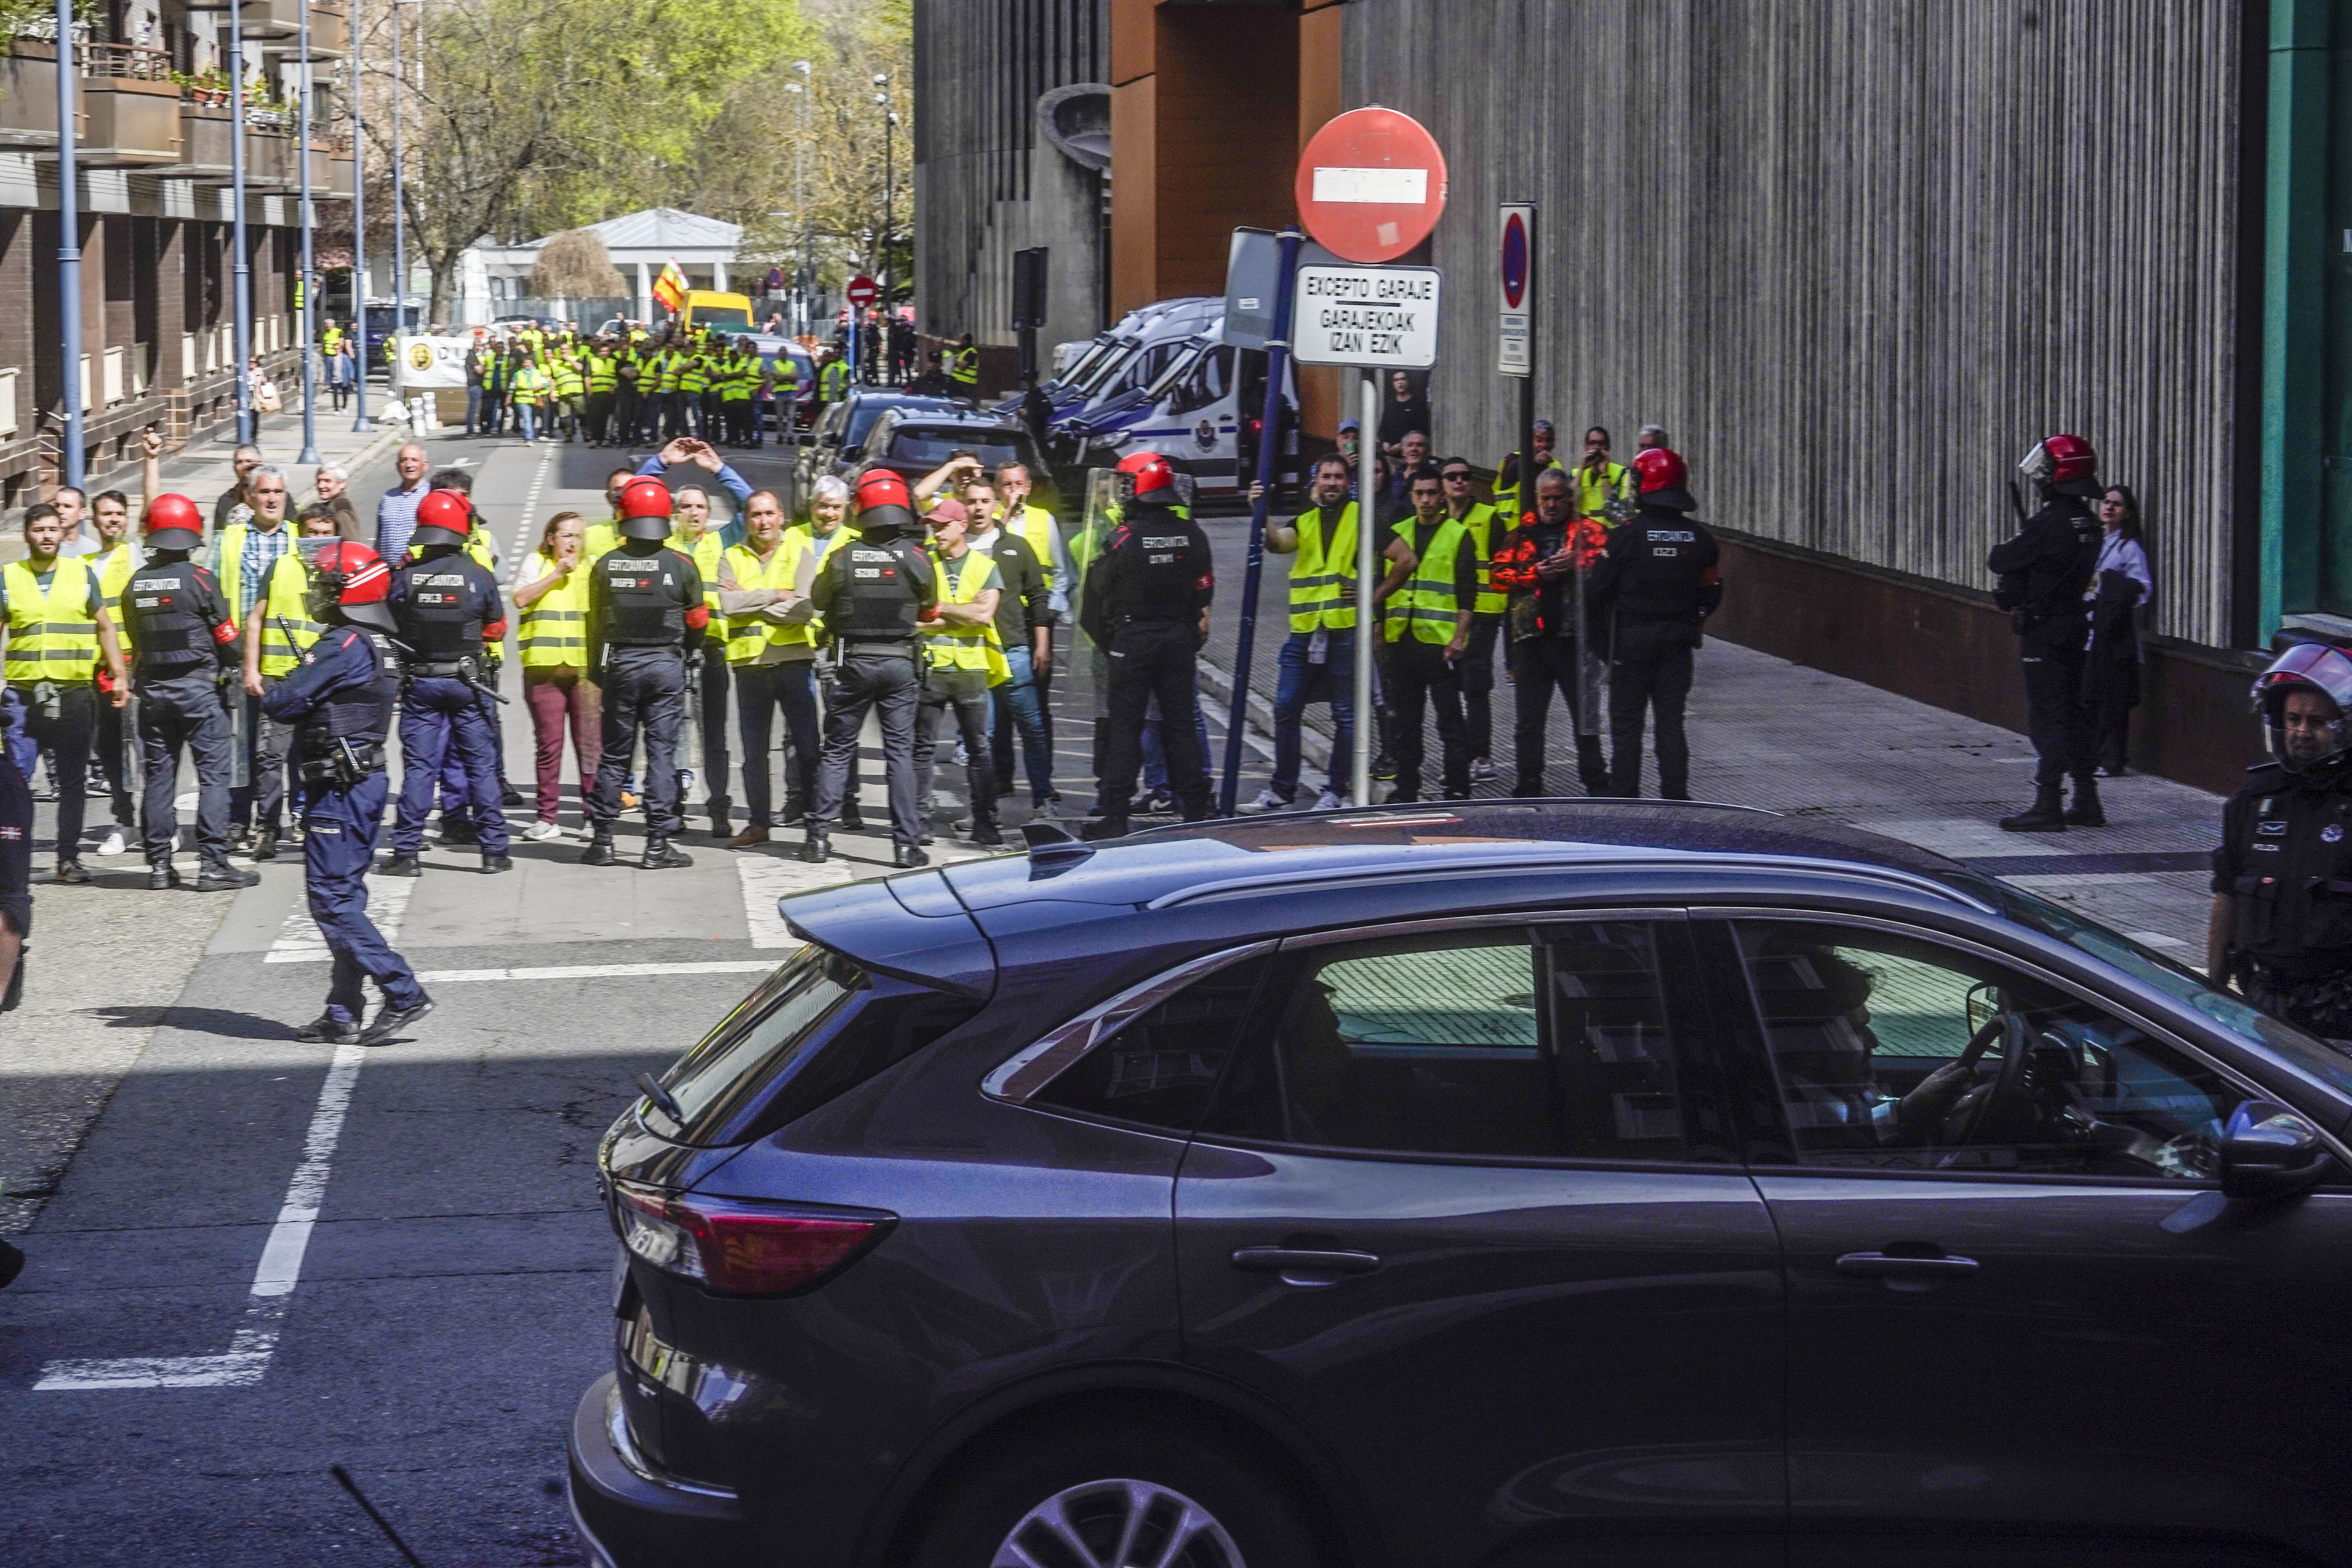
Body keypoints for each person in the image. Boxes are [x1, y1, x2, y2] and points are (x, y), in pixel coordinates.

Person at [263, 541, 432, 1045]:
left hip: (339, 786)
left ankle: (402, 990)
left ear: (351, 591)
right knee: (346, 897)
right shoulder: (375, 642)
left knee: (332, 902)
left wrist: (295, 678)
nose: (318, 590)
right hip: (359, 781)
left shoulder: (342, 644)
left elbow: (283, 700)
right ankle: (342, 1011)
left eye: (327, 584)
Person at [1249, 456, 1413, 812]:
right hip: (1306, 633)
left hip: (1345, 631)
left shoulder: (1363, 519)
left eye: (1339, 477)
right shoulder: (1305, 522)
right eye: (1326, 477)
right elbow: (1277, 544)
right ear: (1317, 481)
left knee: (1346, 716)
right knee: (1285, 708)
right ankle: (1282, 789)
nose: (1333, 483)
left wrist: (1372, 597)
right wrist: (1261, 512)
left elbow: (1406, 560)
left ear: (1348, 483)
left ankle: (1334, 791)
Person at [2210, 637, 2352, 1037]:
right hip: (2264, 1012)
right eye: (2293, 720)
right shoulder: (2253, 802)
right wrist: (2211, 997)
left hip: (2341, 1022)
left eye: (2317, 722)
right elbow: (2226, 897)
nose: (2302, 732)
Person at [800, 470, 939, 867]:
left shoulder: (843, 556)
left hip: (854, 662)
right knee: (899, 753)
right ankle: (906, 846)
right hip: (899, 664)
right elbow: (930, 609)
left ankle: (818, 839)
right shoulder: (917, 558)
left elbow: (819, 599)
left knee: (839, 749)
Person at [120, 494, 250, 891]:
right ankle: (213, 864)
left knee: (159, 778)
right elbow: (228, 638)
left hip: (154, 696)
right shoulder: (199, 580)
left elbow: (134, 636)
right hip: (199, 693)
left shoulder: (135, 585)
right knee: (214, 776)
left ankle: (160, 865)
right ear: (192, 534)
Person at [1080, 454, 1214, 839]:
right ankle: (1195, 814)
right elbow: (1205, 591)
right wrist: (1187, 630)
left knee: (1125, 729)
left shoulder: (1122, 538)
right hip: (1176, 641)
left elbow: (1093, 601)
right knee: (1181, 728)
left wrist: (1112, 643)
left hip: (1132, 642)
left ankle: (1115, 816)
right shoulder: (1193, 534)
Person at [381, 491, 511, 877]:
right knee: (481, 767)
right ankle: (494, 850)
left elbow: (391, 623)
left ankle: (406, 853)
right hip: (468, 682)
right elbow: (496, 628)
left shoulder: (404, 576)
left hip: (421, 683)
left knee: (420, 769)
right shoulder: (478, 574)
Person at [582, 476, 707, 870]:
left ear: (623, 516)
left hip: (621, 664)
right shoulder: (682, 565)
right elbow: (698, 619)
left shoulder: (605, 566)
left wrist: (601, 672)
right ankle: (657, 845)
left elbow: (596, 626)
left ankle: (603, 840)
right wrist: (687, 654)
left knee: (615, 755)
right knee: (661, 756)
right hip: (665, 666)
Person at [1, 503, 129, 882]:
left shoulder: (81, 574)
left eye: (53, 530)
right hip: (22, 698)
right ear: (27, 535)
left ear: (63, 533)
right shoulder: (9, 578)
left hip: (73, 695)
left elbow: (105, 627)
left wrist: (118, 674)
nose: (46, 536)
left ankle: (68, 858)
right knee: (17, 782)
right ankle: (13, 864)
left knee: (73, 783)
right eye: (39, 530)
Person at [1990, 433, 2106, 832]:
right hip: (2075, 626)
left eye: (2047, 469)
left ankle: (2048, 802)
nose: (2040, 477)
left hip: (2045, 631)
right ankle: (2087, 797)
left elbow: (2000, 559)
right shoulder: (2088, 523)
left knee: (2049, 716)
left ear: (2061, 473)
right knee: (2074, 712)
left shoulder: (2049, 524)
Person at [1590, 446, 1721, 799]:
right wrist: (1692, 620)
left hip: (1630, 645)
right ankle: (1676, 799)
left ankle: (1625, 800)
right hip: (1677, 643)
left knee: (1627, 729)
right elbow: (1712, 592)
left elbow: (1594, 591)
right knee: (1671, 726)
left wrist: (1604, 647)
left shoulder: (1625, 537)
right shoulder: (1701, 539)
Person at [1490, 468, 1611, 797]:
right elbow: (1498, 577)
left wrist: (1580, 562)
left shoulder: (1590, 532)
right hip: (1531, 642)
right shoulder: (1520, 535)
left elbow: (1610, 567)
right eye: (1546, 498)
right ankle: (1529, 781)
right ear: (1538, 498)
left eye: (1559, 498)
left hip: (1578, 641)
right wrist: (1536, 574)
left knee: (1585, 717)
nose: (1552, 504)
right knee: (1529, 721)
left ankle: (1596, 780)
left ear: (1570, 498)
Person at [718, 489, 818, 845]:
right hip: (750, 666)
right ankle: (759, 824)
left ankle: (815, 829)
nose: (763, 521)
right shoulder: (731, 556)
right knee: (754, 753)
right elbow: (728, 605)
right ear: (747, 519)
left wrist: (751, 597)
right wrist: (776, 594)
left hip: (793, 661)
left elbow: (806, 609)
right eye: (756, 515)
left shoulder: (799, 551)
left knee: (808, 749)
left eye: (769, 514)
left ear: (781, 518)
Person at [913, 501, 1007, 847]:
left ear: (961, 525)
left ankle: (986, 822)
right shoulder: (924, 562)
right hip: (933, 666)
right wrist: (962, 610)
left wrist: (941, 608)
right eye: (933, 526)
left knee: (979, 749)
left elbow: (984, 617)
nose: (936, 532)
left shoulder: (985, 566)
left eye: (942, 526)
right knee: (922, 749)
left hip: (970, 670)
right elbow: (916, 616)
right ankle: (920, 822)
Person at [1381, 470, 1478, 802]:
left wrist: (1459, 638)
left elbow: (1468, 594)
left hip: (1440, 645)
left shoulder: (1458, 535)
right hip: (1402, 641)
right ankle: (1407, 787)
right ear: (1411, 497)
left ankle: (1457, 786)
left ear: (1442, 497)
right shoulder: (1398, 533)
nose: (1425, 500)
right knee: (1406, 725)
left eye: (1432, 493)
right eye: (1419, 493)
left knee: (1450, 723)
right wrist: (1379, 633)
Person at [221, 466, 301, 857]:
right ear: (250, 497)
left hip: (288, 661)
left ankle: (296, 816)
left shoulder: (300, 539)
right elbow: (214, 593)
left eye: (279, 492)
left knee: (291, 746)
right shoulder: (231, 539)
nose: (272, 498)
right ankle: (239, 819)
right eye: (265, 491)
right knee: (243, 745)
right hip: (241, 659)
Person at [966, 480, 1058, 819]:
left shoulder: (1017, 547)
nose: (978, 508)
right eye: (972, 501)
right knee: (981, 737)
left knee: (1032, 729)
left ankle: (1043, 798)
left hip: (1015, 651)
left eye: (984, 501)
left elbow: (1038, 597)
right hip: (973, 654)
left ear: (995, 505)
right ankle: (983, 807)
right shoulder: (957, 548)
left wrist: (1043, 645)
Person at [514, 512, 599, 842]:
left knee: (589, 746)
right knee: (549, 746)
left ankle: (593, 817)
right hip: (544, 671)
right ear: (551, 538)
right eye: (566, 536)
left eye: (578, 536)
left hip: (583, 674)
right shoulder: (536, 563)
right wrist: (556, 575)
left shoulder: (591, 569)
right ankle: (547, 818)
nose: (573, 543)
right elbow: (521, 598)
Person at [666, 480, 734, 837]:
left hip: (712, 652)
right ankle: (674, 804)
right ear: (675, 514)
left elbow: (749, 502)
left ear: (709, 513)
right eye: (686, 507)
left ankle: (719, 807)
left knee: (714, 735)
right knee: (675, 732)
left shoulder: (722, 543)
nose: (693, 513)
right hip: (674, 653)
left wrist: (718, 469)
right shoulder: (663, 547)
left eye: (700, 507)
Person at [1439, 457, 1506, 784]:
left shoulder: (1490, 518)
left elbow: (1503, 566)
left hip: (1483, 613)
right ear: (1442, 484)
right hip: (1444, 615)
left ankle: (1481, 756)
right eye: (1452, 477)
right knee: (1448, 688)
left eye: (1465, 476)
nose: (1459, 482)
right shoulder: (1436, 519)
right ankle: (1457, 758)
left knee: (1475, 685)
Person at [85, 488, 142, 857]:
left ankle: (160, 821)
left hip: (137, 667)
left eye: (120, 513)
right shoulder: (85, 564)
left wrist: (152, 462)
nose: (114, 520)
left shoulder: (134, 554)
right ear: (94, 520)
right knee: (108, 749)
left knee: (146, 747)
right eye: (106, 514)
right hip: (100, 670)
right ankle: (125, 822)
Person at [2085, 484, 2152, 777]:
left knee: (2113, 699)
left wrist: (2108, 586)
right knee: (2091, 695)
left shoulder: (2129, 547)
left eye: (2117, 504)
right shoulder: (2094, 541)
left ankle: (2112, 760)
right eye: (2106, 502)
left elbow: (2143, 589)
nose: (2109, 507)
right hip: (2087, 626)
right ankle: (2092, 754)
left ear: (2127, 513)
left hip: (2114, 631)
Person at [1491, 419, 1560, 520]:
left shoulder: (1556, 466)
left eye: (1548, 440)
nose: (1544, 445)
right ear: (1530, 441)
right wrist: (1534, 461)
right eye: (1539, 440)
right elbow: (1511, 472)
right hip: (1510, 526)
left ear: (1554, 443)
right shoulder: (1512, 459)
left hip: (1537, 525)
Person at [374, 443, 431, 563]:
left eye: (415, 460)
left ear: (425, 466)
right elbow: (380, 537)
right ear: (398, 466)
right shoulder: (388, 497)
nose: (409, 465)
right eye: (404, 461)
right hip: (389, 571)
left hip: (417, 568)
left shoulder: (431, 495)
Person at [1575, 426, 1633, 522]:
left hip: (1609, 530)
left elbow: (1613, 503)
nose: (1597, 448)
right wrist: (1582, 469)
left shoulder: (1622, 473)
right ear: (1586, 447)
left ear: (1608, 447)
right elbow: (1571, 500)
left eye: (1601, 444)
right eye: (1592, 443)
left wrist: (1604, 473)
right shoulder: (1576, 473)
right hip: (1583, 530)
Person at [1377, 369, 1430, 454]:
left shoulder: (1418, 405)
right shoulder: (1390, 404)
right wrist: (1385, 443)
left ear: (1408, 382)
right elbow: (1383, 428)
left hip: (1411, 453)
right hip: (1390, 455)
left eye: (1403, 379)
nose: (1400, 383)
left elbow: (1422, 431)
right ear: (1393, 384)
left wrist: (1402, 445)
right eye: (1397, 380)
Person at [215, 444, 264, 535]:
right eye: (239, 462)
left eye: (249, 461)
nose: (245, 466)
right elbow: (219, 535)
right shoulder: (226, 500)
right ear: (234, 468)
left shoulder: (277, 496)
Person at [311, 463, 364, 542]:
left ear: (342, 484)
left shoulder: (340, 506)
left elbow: (350, 541)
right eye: (319, 481)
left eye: (327, 481)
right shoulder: (333, 504)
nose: (321, 486)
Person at [948, 333, 981, 397]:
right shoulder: (963, 352)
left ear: (966, 341)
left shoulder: (971, 353)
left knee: (965, 403)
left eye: (961, 340)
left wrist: (955, 360)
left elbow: (962, 366)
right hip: (960, 383)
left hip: (967, 385)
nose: (959, 343)